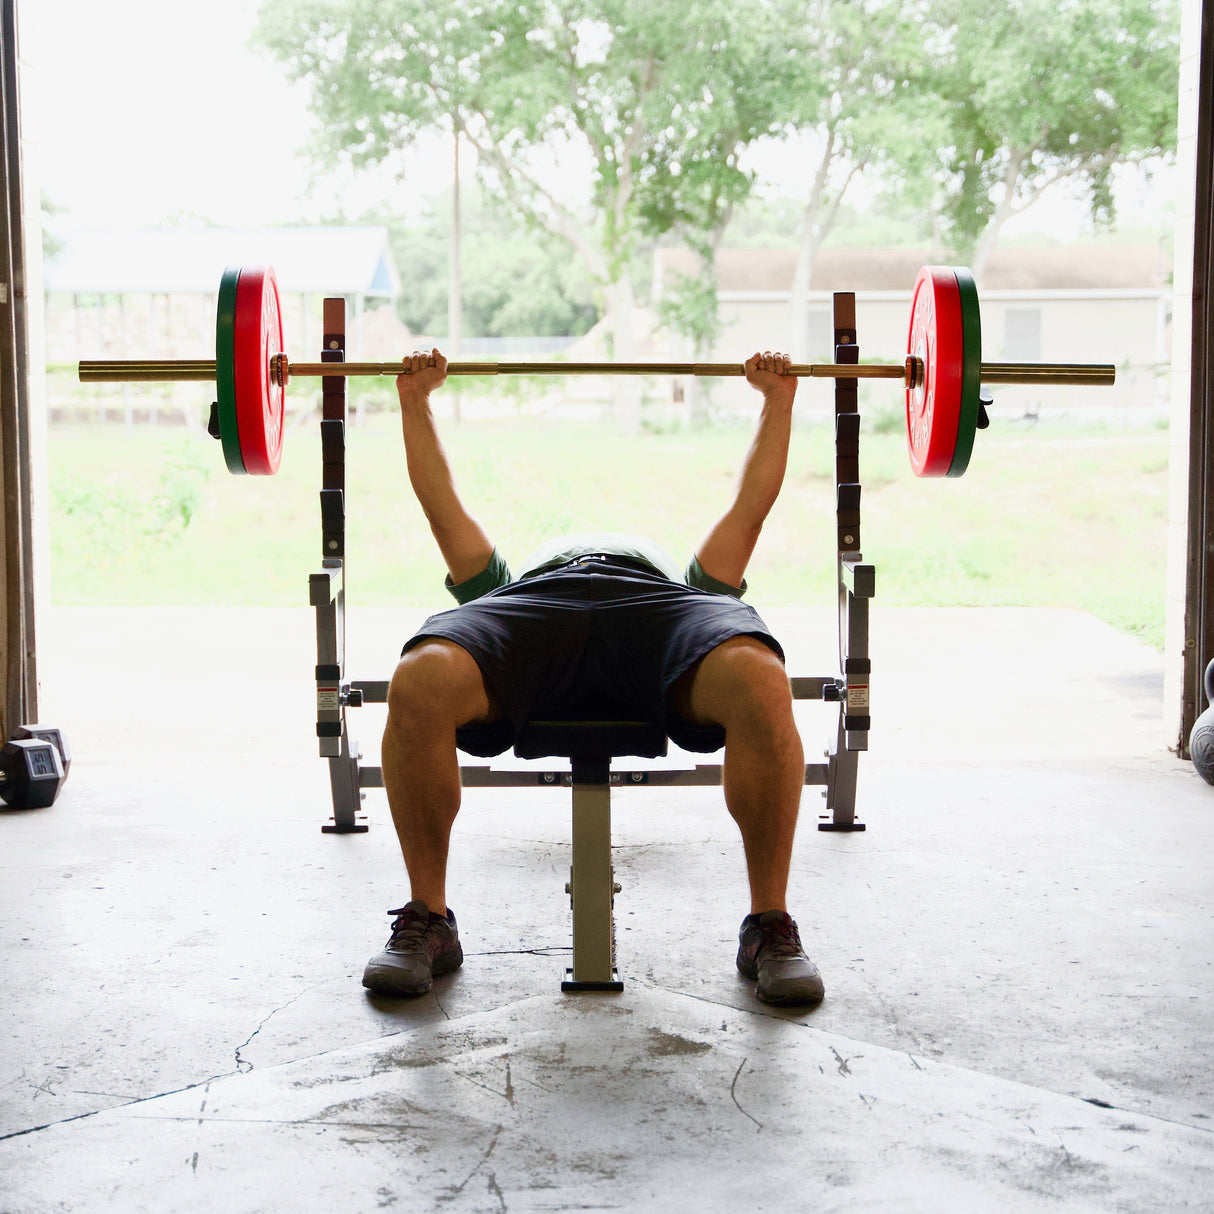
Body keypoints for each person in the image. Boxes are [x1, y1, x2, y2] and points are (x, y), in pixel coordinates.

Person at [363, 347, 824, 1008]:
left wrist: (778, 401)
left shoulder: (689, 586)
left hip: (654, 607)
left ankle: (769, 928)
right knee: (420, 676)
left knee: (758, 673)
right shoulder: (503, 585)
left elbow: (749, 510)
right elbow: (443, 510)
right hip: (537, 606)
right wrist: (415, 401)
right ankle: (428, 921)